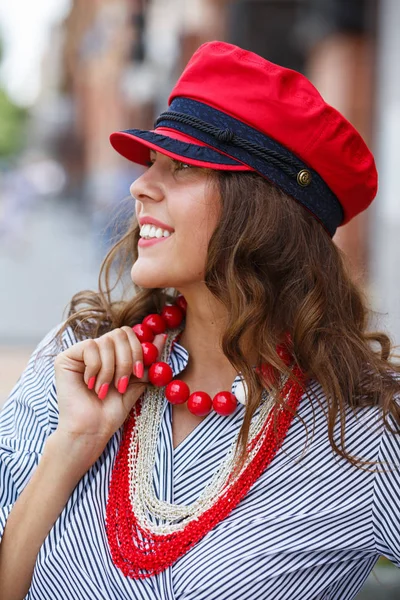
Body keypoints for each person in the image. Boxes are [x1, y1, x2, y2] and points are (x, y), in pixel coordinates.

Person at [0, 40, 399, 600]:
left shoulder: (363, 430)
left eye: (182, 166)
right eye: (151, 163)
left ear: (263, 207)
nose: (140, 186)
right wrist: (72, 445)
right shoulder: (76, 361)